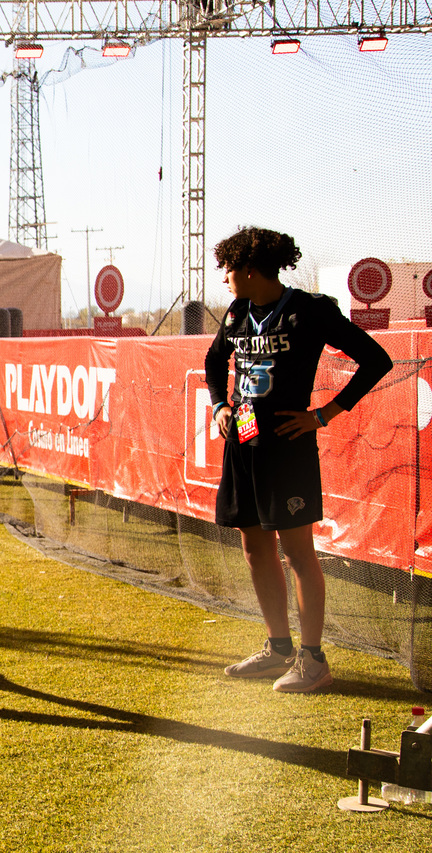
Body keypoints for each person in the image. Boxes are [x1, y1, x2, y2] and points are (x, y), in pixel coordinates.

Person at [204, 227, 392, 693]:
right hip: (242, 441)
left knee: (297, 553)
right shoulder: (237, 312)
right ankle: (278, 649)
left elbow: (376, 360)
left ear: (250, 269)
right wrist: (220, 405)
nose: (224, 278)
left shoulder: (309, 309)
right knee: (254, 547)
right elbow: (213, 362)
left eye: (228, 269)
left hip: (287, 446)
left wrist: (323, 415)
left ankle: (313, 660)